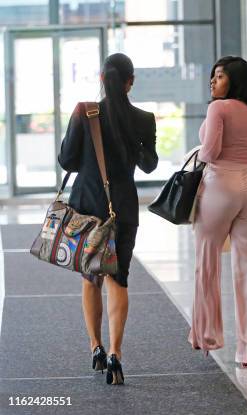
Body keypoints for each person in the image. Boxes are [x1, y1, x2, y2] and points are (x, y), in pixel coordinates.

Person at [58, 53, 158, 384]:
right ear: (130, 81)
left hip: (87, 208)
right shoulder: (144, 118)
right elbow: (149, 165)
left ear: (102, 78)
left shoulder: (85, 113)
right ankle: (116, 353)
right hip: (123, 210)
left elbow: (67, 159)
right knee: (119, 278)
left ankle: (96, 347)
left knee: (91, 278)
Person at [189, 56, 247, 368]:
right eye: (213, 76)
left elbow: (212, 151)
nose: (213, 82)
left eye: (219, 76)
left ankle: (207, 336)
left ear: (235, 80)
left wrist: (195, 154)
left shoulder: (219, 108)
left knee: (208, 261)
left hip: (219, 186)